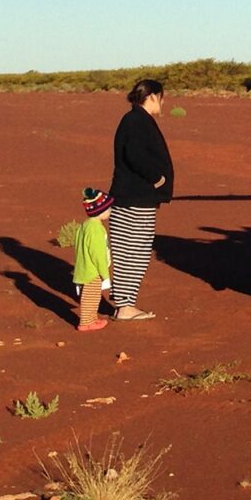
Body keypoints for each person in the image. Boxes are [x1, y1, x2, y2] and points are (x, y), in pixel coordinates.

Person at [107, 78, 174, 322]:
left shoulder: (136, 119)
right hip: (133, 198)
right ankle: (125, 307)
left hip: (136, 198)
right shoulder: (136, 120)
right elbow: (134, 154)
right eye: (162, 98)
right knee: (132, 251)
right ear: (153, 96)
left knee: (137, 250)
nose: (163, 103)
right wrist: (156, 178)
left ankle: (125, 303)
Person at [74, 187, 114, 332]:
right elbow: (98, 254)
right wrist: (104, 273)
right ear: (100, 210)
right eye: (108, 208)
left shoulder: (85, 225)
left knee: (93, 296)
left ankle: (91, 318)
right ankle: (85, 322)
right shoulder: (96, 229)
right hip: (93, 270)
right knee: (90, 297)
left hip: (84, 267)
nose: (110, 211)